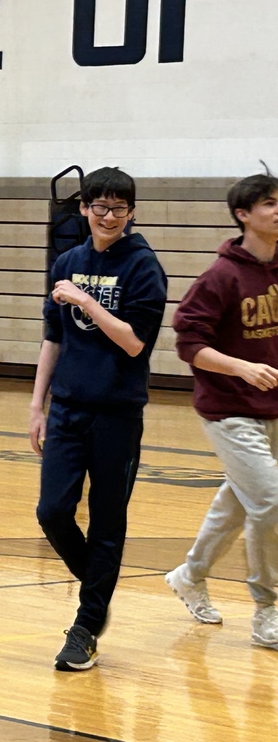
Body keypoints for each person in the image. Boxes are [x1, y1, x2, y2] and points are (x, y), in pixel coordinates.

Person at [29, 167, 167, 671]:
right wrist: (36, 404)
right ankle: (98, 594)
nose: (108, 217)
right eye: (99, 207)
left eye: (119, 209)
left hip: (117, 413)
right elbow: (54, 338)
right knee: (52, 512)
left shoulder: (143, 266)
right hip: (66, 407)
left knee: (107, 523)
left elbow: (134, 342)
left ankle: (85, 627)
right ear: (84, 208)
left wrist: (86, 299)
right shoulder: (67, 260)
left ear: (132, 212)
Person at [165, 171, 278, 649]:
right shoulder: (221, 276)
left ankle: (190, 574)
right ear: (243, 214)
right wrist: (241, 367)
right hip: (229, 409)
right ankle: (268, 609)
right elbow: (188, 344)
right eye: (271, 203)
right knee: (271, 502)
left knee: (240, 503)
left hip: (273, 406)